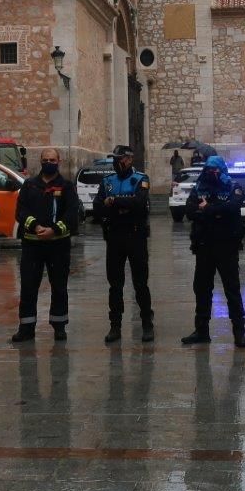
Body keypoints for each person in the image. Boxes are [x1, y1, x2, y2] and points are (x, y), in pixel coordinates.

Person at [182, 156, 245, 348]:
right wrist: (216, 212)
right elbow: (190, 211)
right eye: (210, 170)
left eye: (216, 170)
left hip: (226, 246)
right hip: (204, 246)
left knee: (232, 289)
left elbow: (233, 207)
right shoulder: (199, 188)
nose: (213, 174)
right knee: (202, 289)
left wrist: (209, 209)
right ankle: (201, 331)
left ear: (222, 170)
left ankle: (239, 332)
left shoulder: (232, 186)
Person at [12, 148, 78, 343]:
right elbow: (21, 211)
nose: (49, 162)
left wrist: (54, 230)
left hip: (58, 246)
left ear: (59, 161)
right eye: (45, 159)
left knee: (59, 286)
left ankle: (59, 326)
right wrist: (36, 226)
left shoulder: (66, 186)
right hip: (32, 246)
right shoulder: (30, 185)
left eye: (52, 159)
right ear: (40, 161)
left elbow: (71, 214)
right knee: (28, 287)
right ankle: (26, 328)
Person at [94, 145, 154, 344]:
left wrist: (114, 202)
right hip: (115, 237)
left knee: (140, 283)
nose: (117, 161)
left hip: (135, 237)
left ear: (129, 159)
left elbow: (139, 204)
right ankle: (115, 326)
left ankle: (147, 323)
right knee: (115, 284)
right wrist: (117, 204)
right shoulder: (107, 181)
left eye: (120, 158)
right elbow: (97, 207)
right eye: (115, 158)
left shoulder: (140, 179)